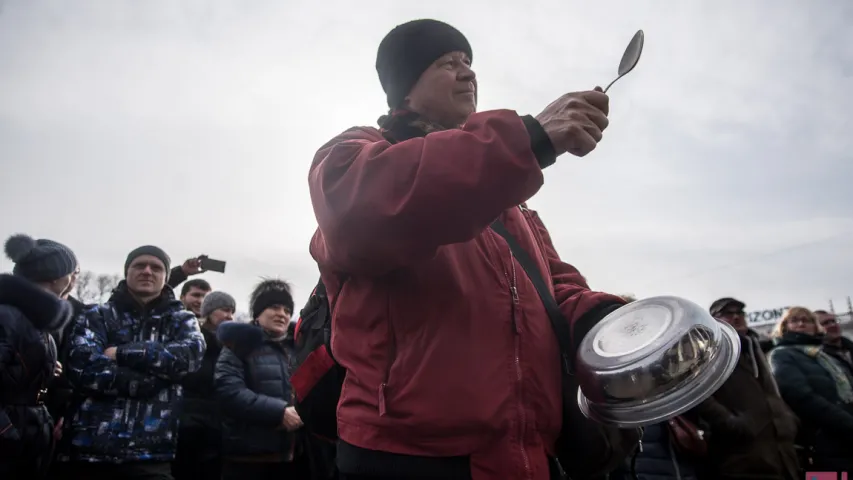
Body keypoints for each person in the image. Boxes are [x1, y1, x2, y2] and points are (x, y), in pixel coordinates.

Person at [308, 19, 628, 480]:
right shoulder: (353, 154)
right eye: (447, 63)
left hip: (525, 454)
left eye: (469, 63)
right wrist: (530, 138)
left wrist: (605, 318)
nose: (467, 73)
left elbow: (557, 287)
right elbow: (363, 217)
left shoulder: (510, 200)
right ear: (406, 89)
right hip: (407, 458)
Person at [61, 245, 206, 479]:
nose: (147, 271)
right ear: (127, 272)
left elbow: (188, 358)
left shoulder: (183, 320)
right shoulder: (96, 315)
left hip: (151, 455)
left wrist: (121, 353)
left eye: (156, 267)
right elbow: (84, 368)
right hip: (90, 450)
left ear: (166, 277)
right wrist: (154, 379)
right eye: (139, 265)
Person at [692, 298, 800, 479]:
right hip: (742, 459)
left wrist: (788, 419)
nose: (736, 317)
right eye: (727, 314)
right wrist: (730, 423)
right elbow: (697, 392)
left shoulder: (755, 347)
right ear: (713, 320)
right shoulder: (707, 352)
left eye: (740, 313)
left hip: (782, 453)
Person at [214, 279, 309, 480]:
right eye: (274, 307)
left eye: (286, 310)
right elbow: (229, 391)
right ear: (258, 313)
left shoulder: (298, 348)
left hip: (292, 456)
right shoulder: (238, 344)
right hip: (248, 457)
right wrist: (279, 412)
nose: (281, 314)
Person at [0, 234, 77, 479]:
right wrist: (6, 432)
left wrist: (41, 371)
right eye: (71, 271)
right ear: (57, 276)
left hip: (27, 437)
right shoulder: (8, 315)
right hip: (11, 444)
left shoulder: (35, 319)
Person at [768, 306, 853, 473]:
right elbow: (800, 396)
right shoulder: (781, 355)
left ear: (815, 326)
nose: (801, 324)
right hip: (819, 444)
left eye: (806, 320)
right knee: (823, 477)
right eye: (794, 320)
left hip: (845, 442)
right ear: (784, 327)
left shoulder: (824, 355)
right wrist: (847, 423)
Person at [172, 291, 236, 480]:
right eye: (224, 310)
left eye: (232, 311)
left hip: (217, 429)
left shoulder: (230, 347)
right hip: (187, 428)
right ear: (208, 311)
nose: (229, 316)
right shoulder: (191, 341)